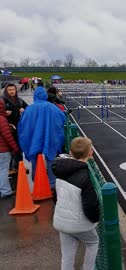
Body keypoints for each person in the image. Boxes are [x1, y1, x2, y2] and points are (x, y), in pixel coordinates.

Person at [53, 137, 100, 270]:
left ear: (70, 153)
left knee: (67, 255)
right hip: (79, 224)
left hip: (61, 221)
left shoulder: (60, 170)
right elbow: (90, 205)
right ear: (90, 154)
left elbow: (55, 197)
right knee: (93, 243)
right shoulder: (85, 176)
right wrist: (96, 219)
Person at [18, 83, 66, 188]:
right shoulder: (53, 107)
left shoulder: (29, 109)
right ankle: (52, 182)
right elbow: (62, 119)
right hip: (51, 137)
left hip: (35, 138)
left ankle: (36, 180)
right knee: (51, 158)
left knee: (35, 159)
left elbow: (23, 125)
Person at [3, 84, 28, 174]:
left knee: (18, 147)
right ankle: (9, 168)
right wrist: (4, 113)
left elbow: (28, 109)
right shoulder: (2, 100)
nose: (11, 91)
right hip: (7, 127)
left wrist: (23, 110)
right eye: (9, 90)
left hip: (18, 127)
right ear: (6, 90)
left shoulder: (19, 100)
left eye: (13, 89)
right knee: (9, 148)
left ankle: (19, 166)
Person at [0, 99, 20, 199]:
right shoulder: (1, 119)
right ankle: (5, 191)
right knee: (3, 170)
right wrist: (15, 147)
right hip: (2, 150)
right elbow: (7, 136)